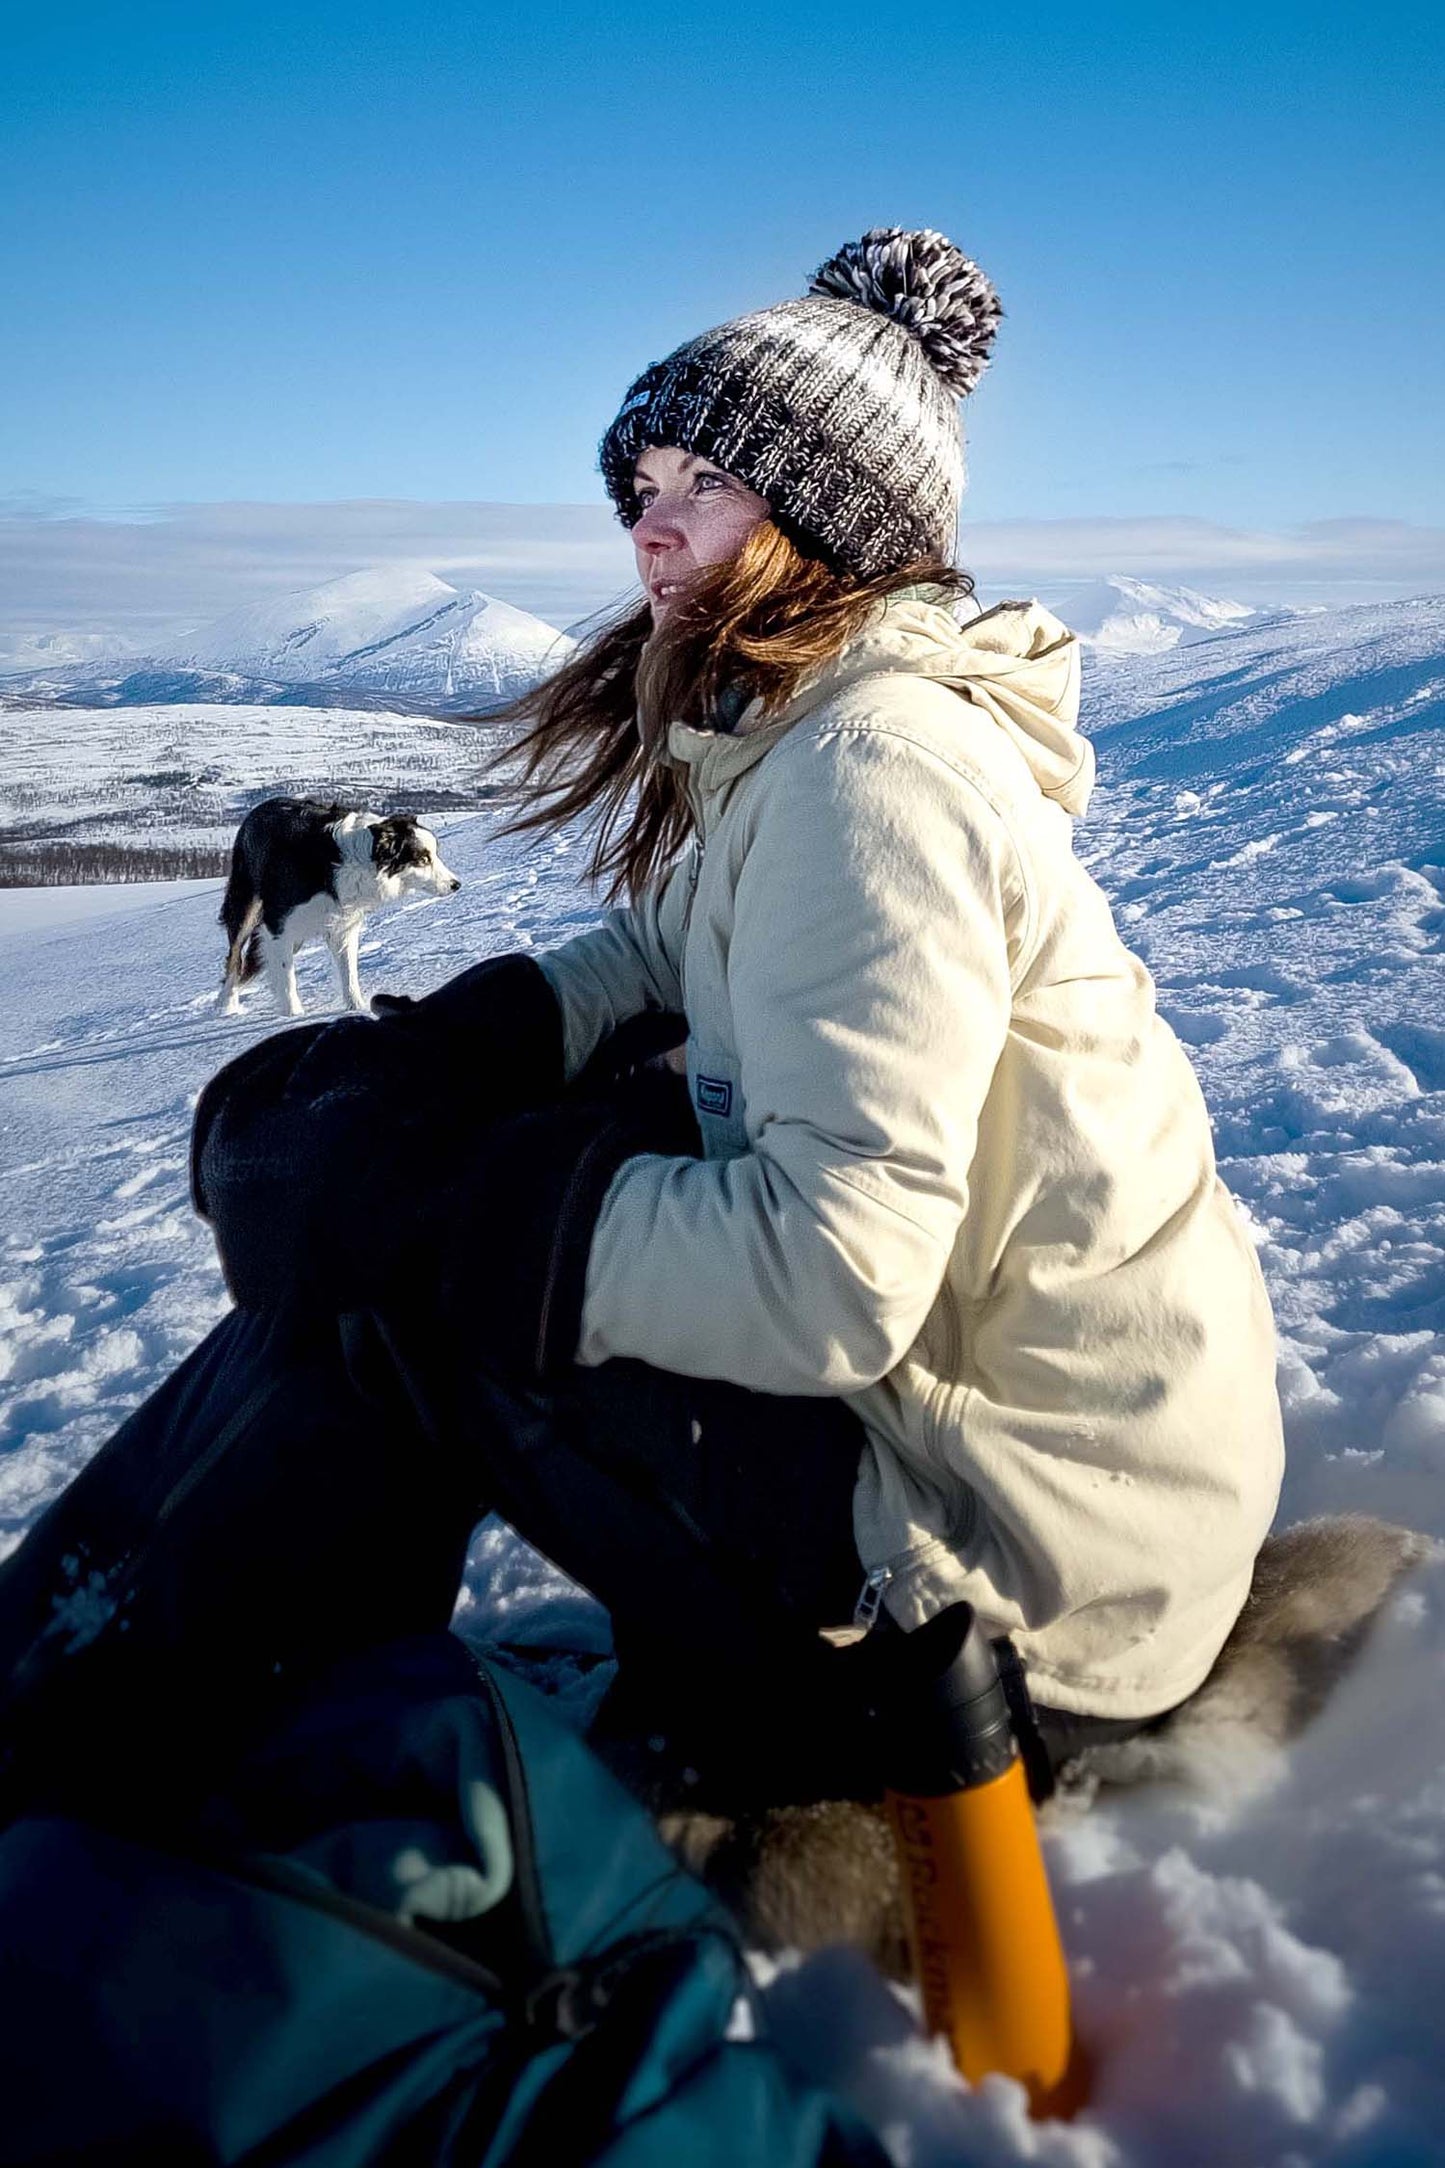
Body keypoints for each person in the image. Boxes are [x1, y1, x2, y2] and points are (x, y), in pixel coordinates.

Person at [0, 229, 1284, 1826]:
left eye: (703, 487)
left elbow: (835, 1277)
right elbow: (671, 950)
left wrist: (433, 1206)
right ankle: (151, 1710)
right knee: (485, 1186)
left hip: (1021, 1579)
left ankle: (108, 1752)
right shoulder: (807, 742)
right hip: (1053, 1478)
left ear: (829, 523)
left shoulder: (874, 775)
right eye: (640, 489)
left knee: (411, 1299)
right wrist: (447, 1055)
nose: (648, 533)